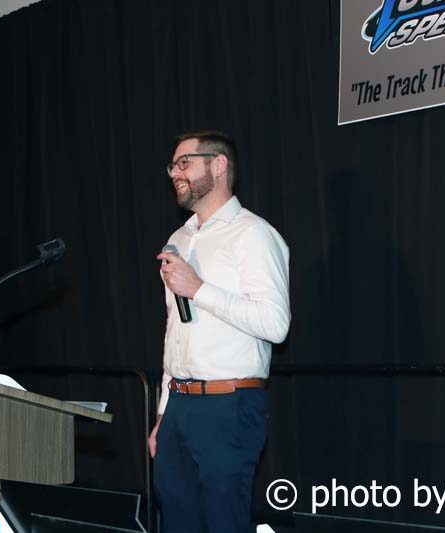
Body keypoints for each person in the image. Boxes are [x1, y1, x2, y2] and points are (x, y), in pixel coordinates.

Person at [149, 131, 290, 532]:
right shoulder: (178, 239)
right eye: (173, 166)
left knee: (223, 523)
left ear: (219, 165)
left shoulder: (253, 234)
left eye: (185, 163)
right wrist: (163, 414)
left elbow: (276, 324)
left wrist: (199, 289)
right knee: (177, 522)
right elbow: (175, 331)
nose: (175, 174)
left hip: (229, 406)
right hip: (179, 406)